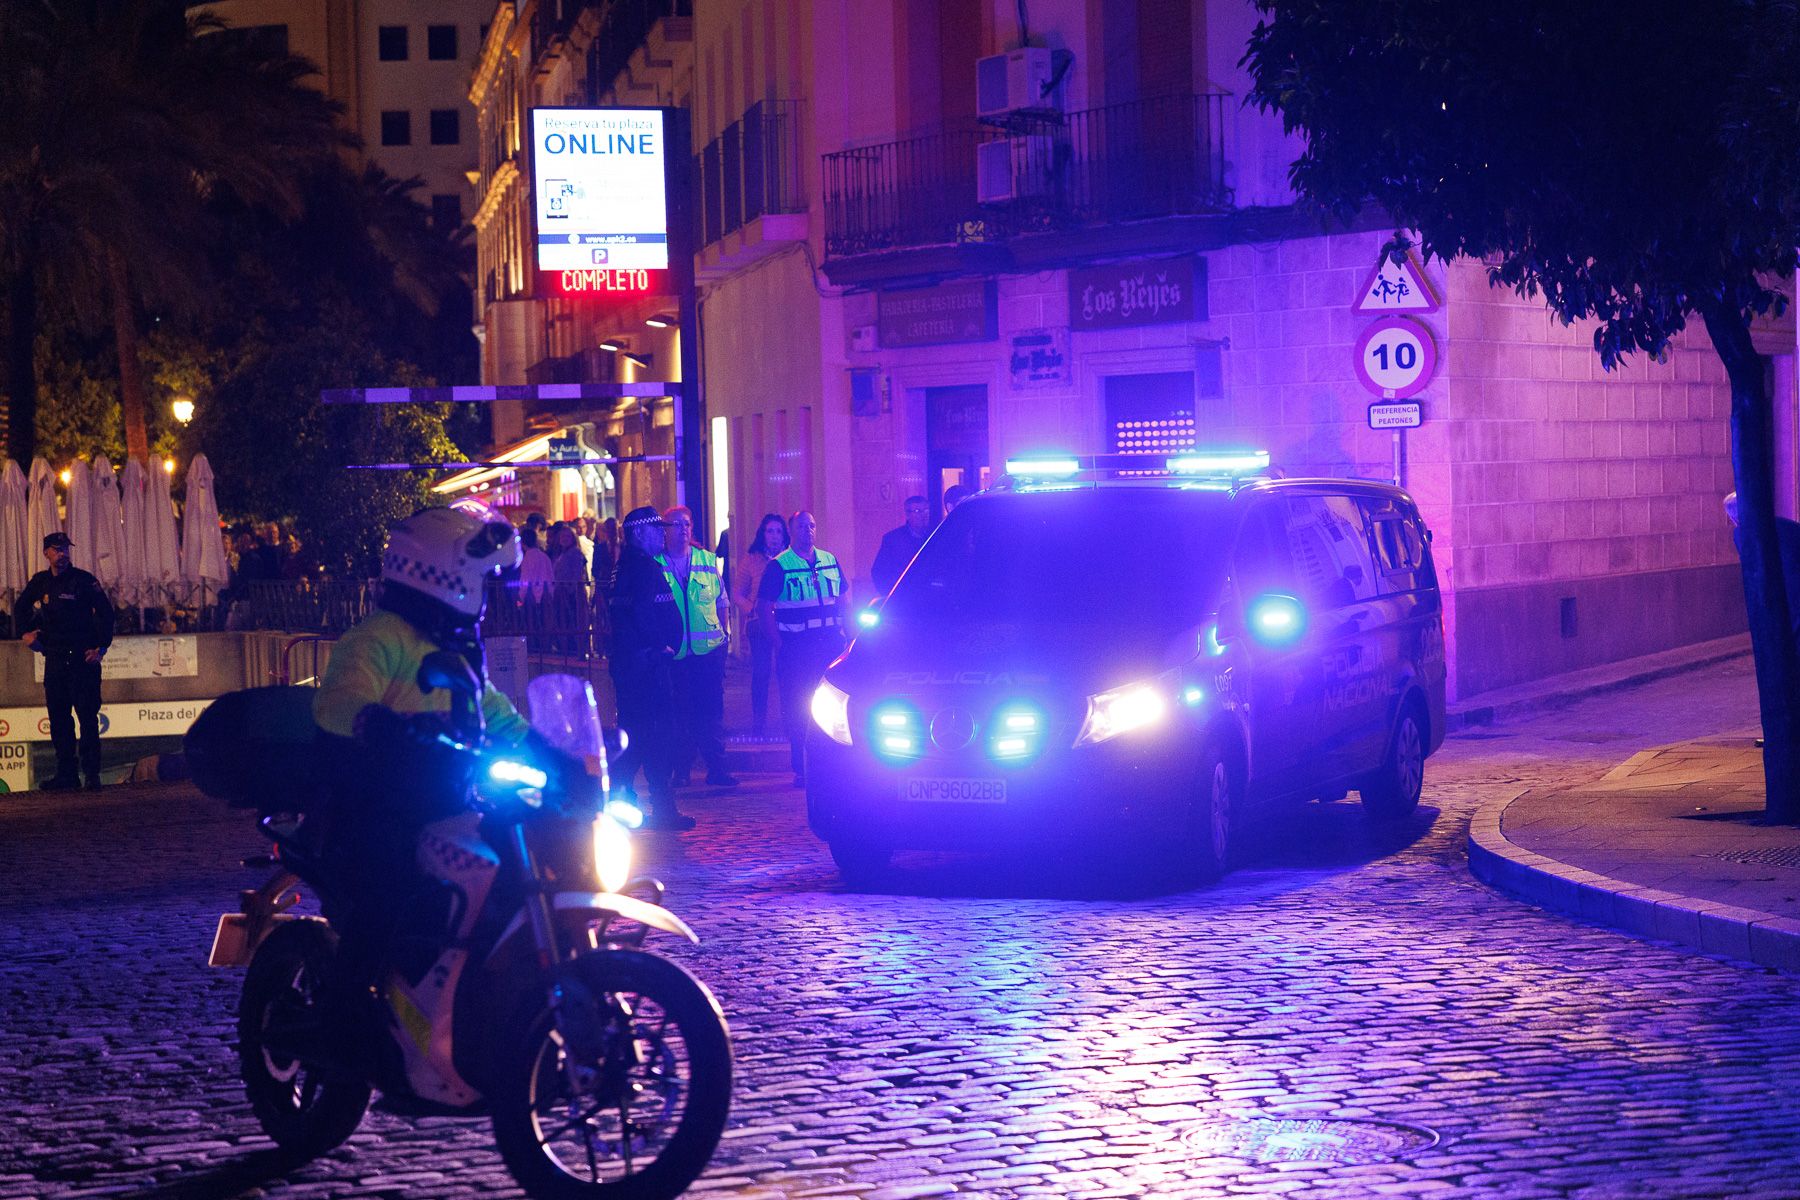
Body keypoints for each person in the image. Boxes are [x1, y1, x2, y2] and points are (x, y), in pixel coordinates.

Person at [310, 506, 567, 1051]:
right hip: (378, 804)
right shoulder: (378, 638)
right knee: (387, 894)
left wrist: (559, 757)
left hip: (447, 799)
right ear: (443, 575)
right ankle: (344, 1024)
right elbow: (336, 701)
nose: (488, 591)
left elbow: (495, 712)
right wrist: (375, 722)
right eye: (481, 579)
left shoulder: (454, 645)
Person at [609, 506, 694, 830]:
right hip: (647, 668)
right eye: (656, 529)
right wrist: (660, 647)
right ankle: (662, 808)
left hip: (635, 667)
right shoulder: (643, 568)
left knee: (637, 737)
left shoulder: (626, 567)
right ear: (638, 533)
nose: (663, 533)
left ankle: (622, 799)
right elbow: (644, 614)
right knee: (657, 738)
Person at [17, 532, 114, 791]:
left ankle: (92, 774)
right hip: (56, 658)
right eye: (57, 549)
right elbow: (20, 608)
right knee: (59, 718)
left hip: (83, 658)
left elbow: (106, 613)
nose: (62, 554)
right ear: (46, 552)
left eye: (65, 549)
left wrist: (101, 647)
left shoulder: (83, 580)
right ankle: (66, 775)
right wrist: (26, 634)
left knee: (87, 717)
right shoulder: (40, 581)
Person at [756, 511, 847, 784]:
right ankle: (802, 766)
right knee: (798, 707)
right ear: (792, 531)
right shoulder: (779, 565)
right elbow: (763, 607)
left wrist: (847, 633)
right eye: (802, 527)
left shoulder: (829, 560)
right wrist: (779, 642)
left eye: (812, 525)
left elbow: (843, 598)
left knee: (833, 705)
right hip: (796, 649)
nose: (808, 531)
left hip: (829, 644)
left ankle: (830, 763)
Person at [659, 505, 736, 788]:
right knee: (679, 716)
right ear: (665, 530)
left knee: (711, 713)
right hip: (674, 655)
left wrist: (724, 635)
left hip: (707, 653)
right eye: (676, 524)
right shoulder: (657, 564)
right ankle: (681, 770)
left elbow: (721, 600)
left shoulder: (705, 559)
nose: (683, 530)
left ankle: (717, 769)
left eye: (687, 524)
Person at [737, 514, 788, 734]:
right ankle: (759, 721)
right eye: (770, 531)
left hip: (786, 623)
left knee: (787, 671)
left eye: (778, 531)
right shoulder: (752, 560)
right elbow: (738, 592)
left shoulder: (790, 558)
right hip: (759, 624)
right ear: (762, 534)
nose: (774, 536)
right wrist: (752, 609)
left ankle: (789, 719)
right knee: (761, 672)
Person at [871, 495, 930, 595]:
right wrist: (890, 595)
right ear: (907, 515)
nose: (923, 515)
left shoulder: (935, 535)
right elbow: (878, 571)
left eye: (926, 510)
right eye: (917, 511)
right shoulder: (893, 539)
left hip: (928, 595)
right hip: (904, 596)